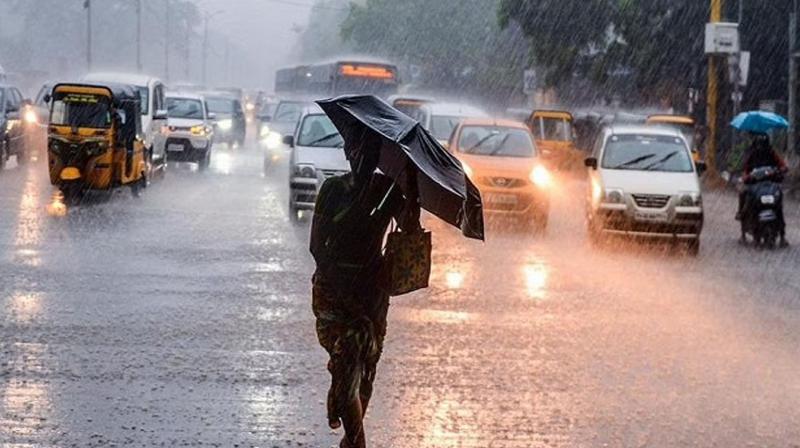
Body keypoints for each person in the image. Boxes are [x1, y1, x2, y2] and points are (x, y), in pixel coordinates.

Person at [310, 132, 420, 448]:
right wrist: (344, 294)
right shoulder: (333, 190)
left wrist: (412, 188)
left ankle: (350, 435)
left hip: (372, 295)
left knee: (366, 370)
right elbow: (317, 246)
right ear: (348, 152)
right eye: (358, 150)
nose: (363, 158)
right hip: (334, 293)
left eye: (371, 151)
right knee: (347, 362)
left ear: (378, 156)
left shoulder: (387, 190)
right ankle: (358, 441)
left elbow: (410, 229)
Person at [736, 133, 789, 246]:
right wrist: (747, 176)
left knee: (779, 206)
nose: (761, 147)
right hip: (755, 184)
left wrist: (781, 170)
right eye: (760, 144)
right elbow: (745, 168)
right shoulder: (751, 154)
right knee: (743, 194)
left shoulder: (772, 153)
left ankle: (782, 235)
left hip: (771, 184)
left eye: (763, 144)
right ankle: (742, 217)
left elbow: (782, 165)